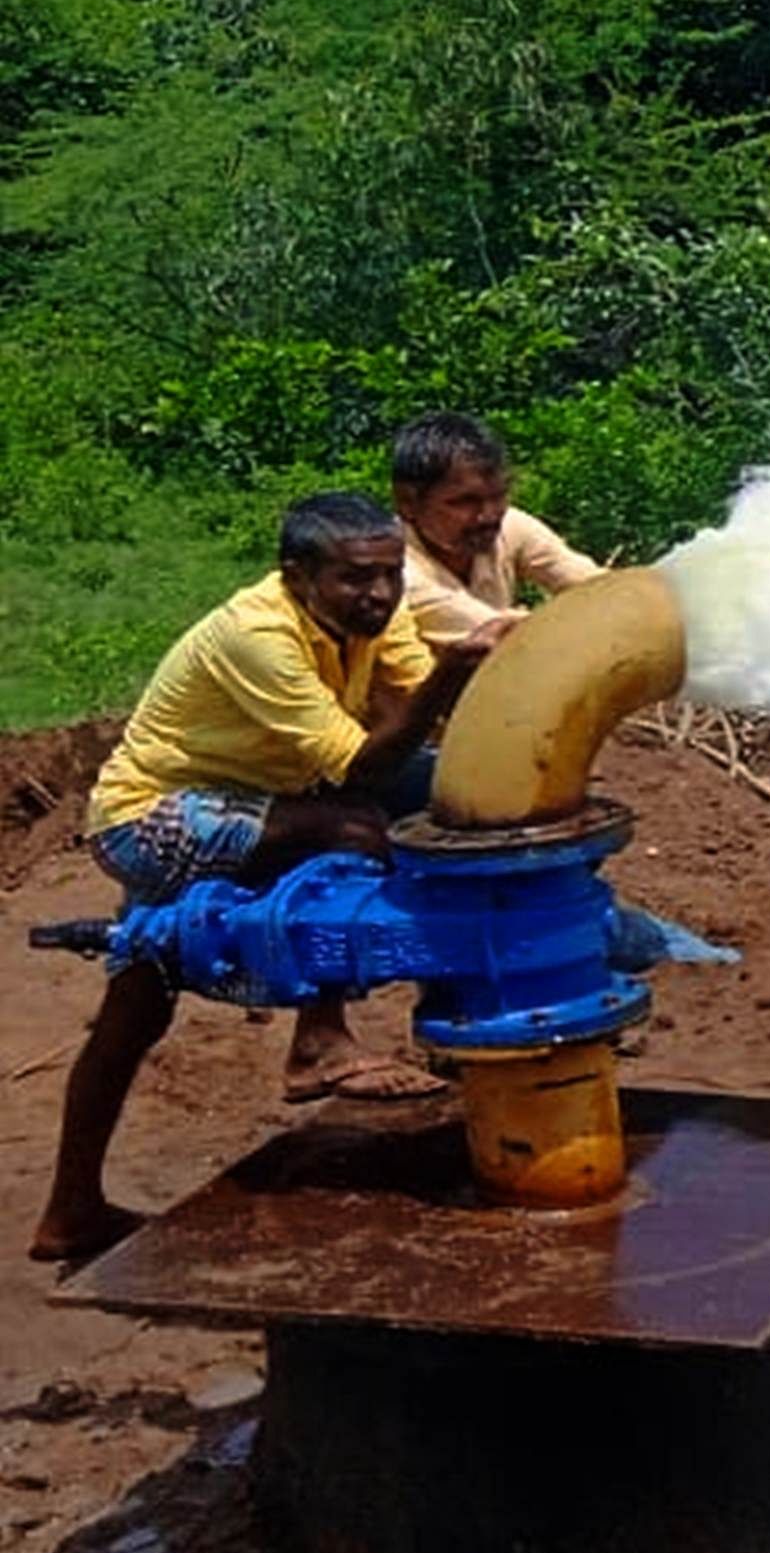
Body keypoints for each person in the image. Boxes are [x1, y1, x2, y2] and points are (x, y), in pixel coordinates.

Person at [28, 494, 511, 1265]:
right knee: (353, 821)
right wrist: (450, 675)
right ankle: (323, 1038)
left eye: (390, 576)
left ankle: (69, 1214)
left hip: (255, 801)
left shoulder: (367, 624)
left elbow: (432, 722)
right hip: (148, 821)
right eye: (357, 580)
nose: (380, 596)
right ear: (297, 576)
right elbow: (363, 763)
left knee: (135, 1006)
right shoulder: (259, 635)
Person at [388, 411, 603, 655]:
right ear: (407, 503)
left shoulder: (510, 524)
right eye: (464, 502)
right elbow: (509, 640)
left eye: (499, 496)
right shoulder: (392, 569)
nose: (488, 515)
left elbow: (601, 588)